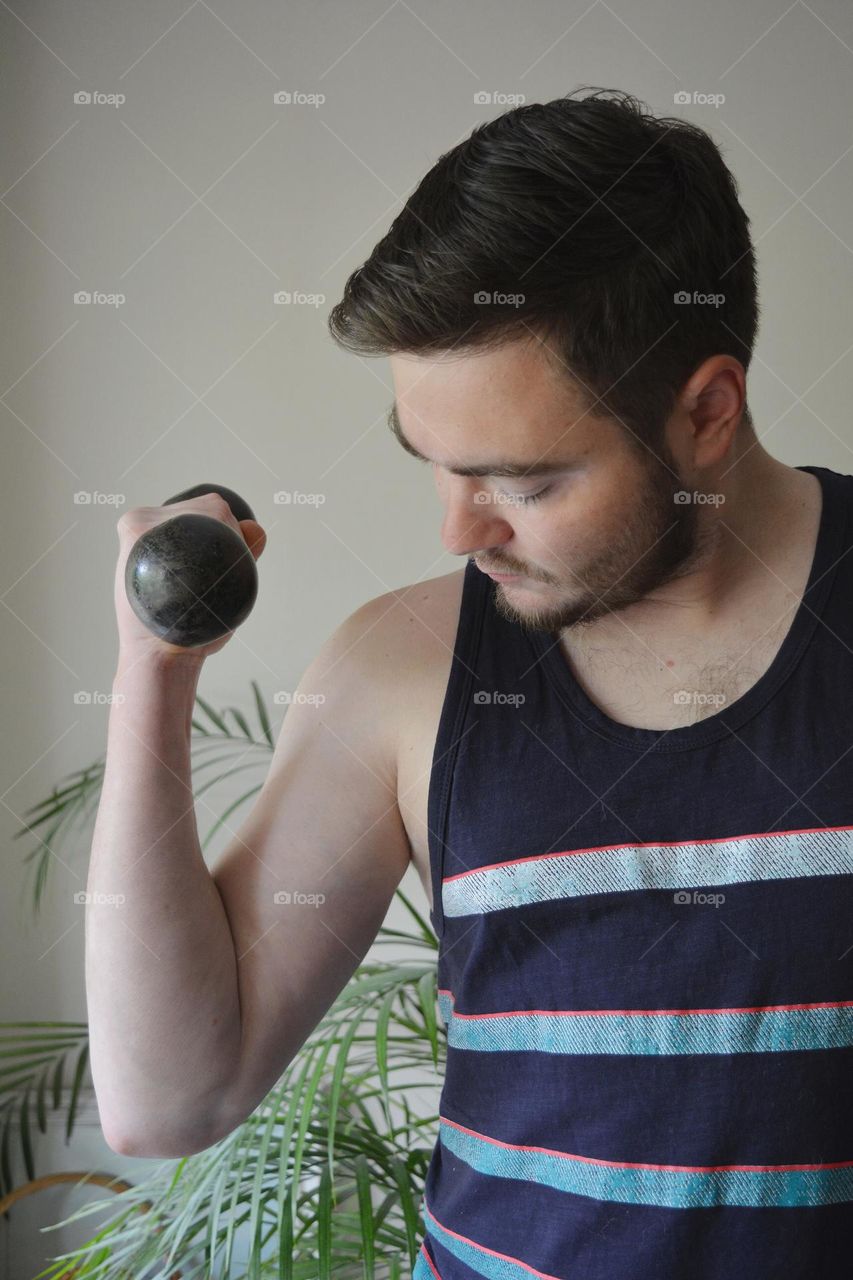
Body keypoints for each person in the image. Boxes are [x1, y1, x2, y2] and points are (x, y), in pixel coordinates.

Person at [87, 87, 853, 1279]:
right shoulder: (406, 668)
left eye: (524, 481)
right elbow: (169, 1095)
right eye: (432, 464)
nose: (455, 529)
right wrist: (154, 662)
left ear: (706, 413)